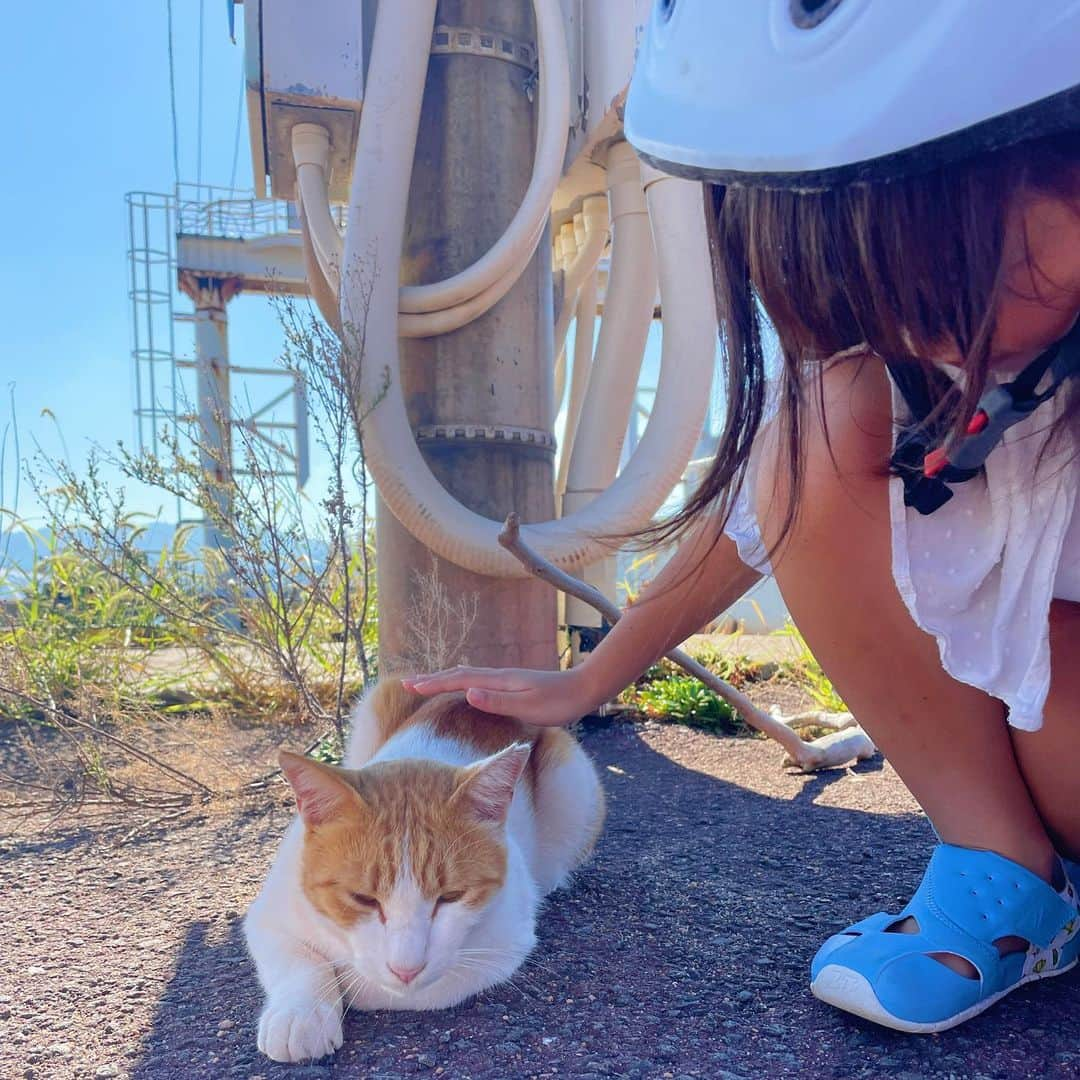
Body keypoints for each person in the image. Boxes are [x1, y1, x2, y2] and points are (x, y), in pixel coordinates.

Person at [405, 1, 1080, 1034]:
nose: (907, 323)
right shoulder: (893, 361)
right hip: (1037, 712)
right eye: (858, 284)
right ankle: (1006, 876)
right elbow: (766, 514)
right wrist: (592, 675)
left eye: (949, 273)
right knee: (819, 411)